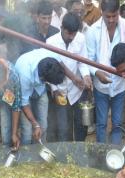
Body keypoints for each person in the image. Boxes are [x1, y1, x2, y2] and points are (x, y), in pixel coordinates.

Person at [86, 0, 125, 145]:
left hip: (120, 84)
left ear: (119, 12)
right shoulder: (93, 31)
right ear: (101, 12)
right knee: (101, 123)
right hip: (100, 87)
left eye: (114, 16)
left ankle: (113, 152)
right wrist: (97, 73)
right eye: (107, 16)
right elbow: (89, 59)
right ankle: (101, 152)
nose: (111, 20)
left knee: (117, 123)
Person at [47, 13, 92, 141]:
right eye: (68, 33)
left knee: (81, 125)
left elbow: (82, 62)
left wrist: (86, 76)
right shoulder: (51, 42)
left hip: (76, 90)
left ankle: (79, 153)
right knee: (63, 129)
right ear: (61, 28)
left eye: (74, 34)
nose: (71, 37)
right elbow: (48, 70)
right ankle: (66, 157)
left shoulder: (81, 39)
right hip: (60, 91)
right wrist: (54, 89)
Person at [15, 49, 66, 144]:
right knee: (27, 130)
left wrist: (75, 79)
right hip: (23, 93)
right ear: (43, 79)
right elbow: (24, 103)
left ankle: (41, 151)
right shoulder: (24, 74)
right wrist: (35, 125)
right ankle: (27, 155)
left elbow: (62, 66)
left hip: (40, 90)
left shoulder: (52, 56)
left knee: (43, 126)